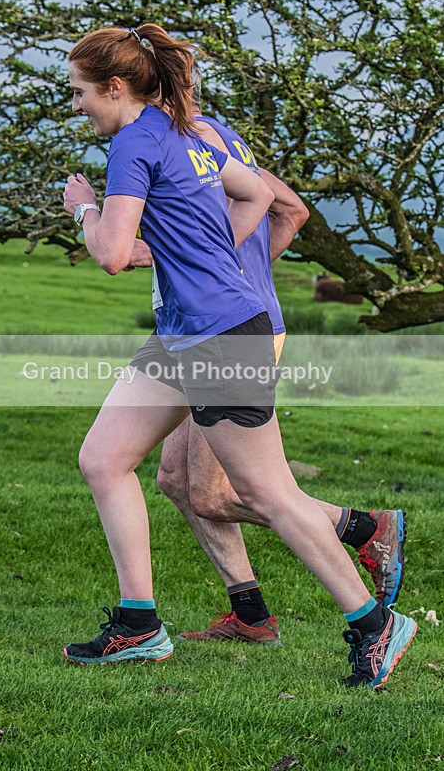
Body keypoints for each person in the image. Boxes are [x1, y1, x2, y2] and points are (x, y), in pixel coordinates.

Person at [62, 23, 416, 688]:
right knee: (103, 459)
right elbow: (259, 194)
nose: (76, 104)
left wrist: (84, 209)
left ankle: (374, 624)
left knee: (262, 490)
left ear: (114, 86)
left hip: (219, 333)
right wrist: (208, 255)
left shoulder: (135, 144)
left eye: (79, 91)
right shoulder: (185, 128)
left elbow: (110, 253)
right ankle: (138, 625)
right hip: (183, 331)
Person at [152, 67, 407, 644]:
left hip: (229, 328)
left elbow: (278, 211)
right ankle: (249, 613)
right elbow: (287, 210)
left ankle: (365, 528)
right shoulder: (207, 138)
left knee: (216, 492)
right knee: (174, 479)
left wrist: (225, 267)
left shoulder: (200, 142)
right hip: (192, 327)